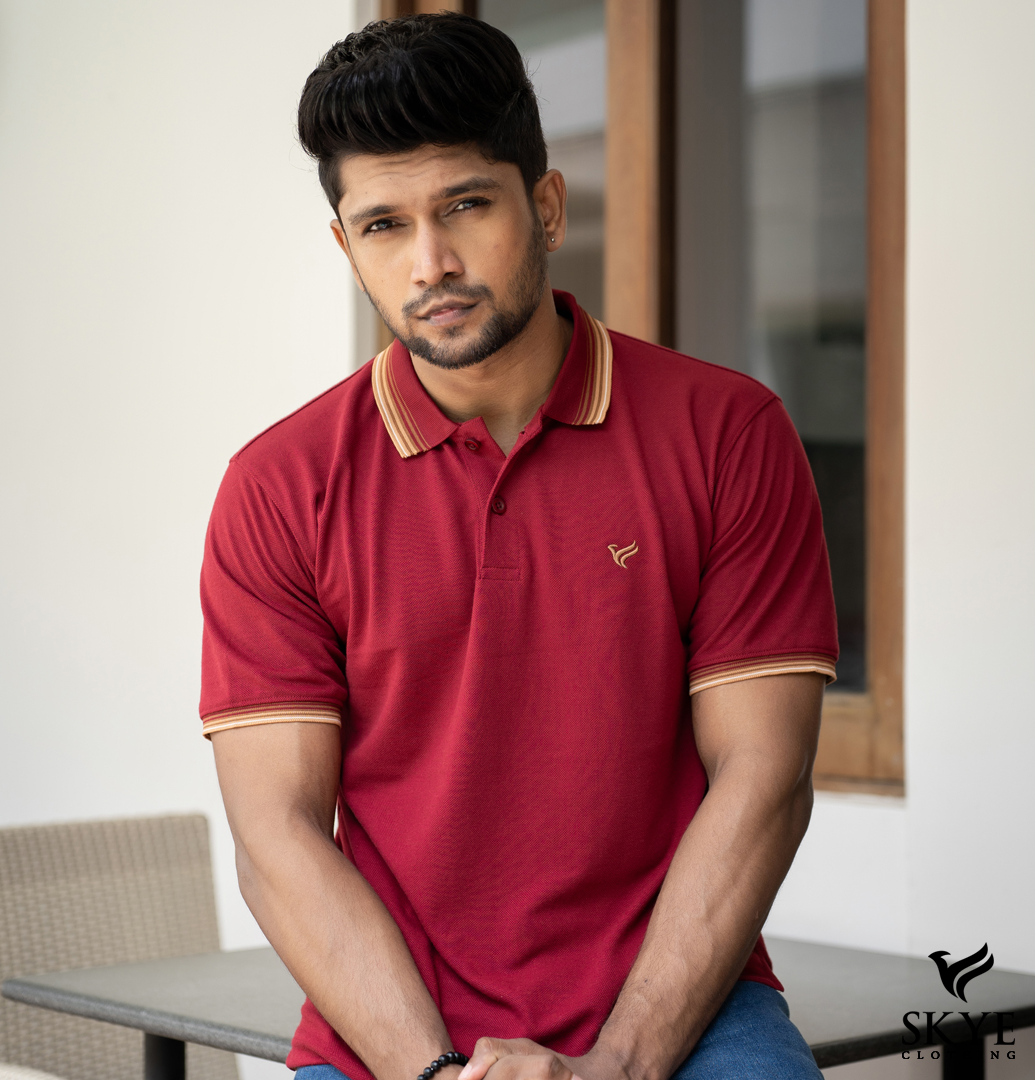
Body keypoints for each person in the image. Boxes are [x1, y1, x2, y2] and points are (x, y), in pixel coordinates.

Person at [201, 13, 837, 1080]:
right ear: (346, 246)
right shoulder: (279, 489)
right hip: (391, 1031)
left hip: (683, 1012)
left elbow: (765, 774)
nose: (431, 263)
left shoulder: (726, 435)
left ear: (545, 205)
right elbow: (278, 835)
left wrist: (618, 1065)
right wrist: (434, 1074)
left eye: (465, 205)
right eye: (384, 226)